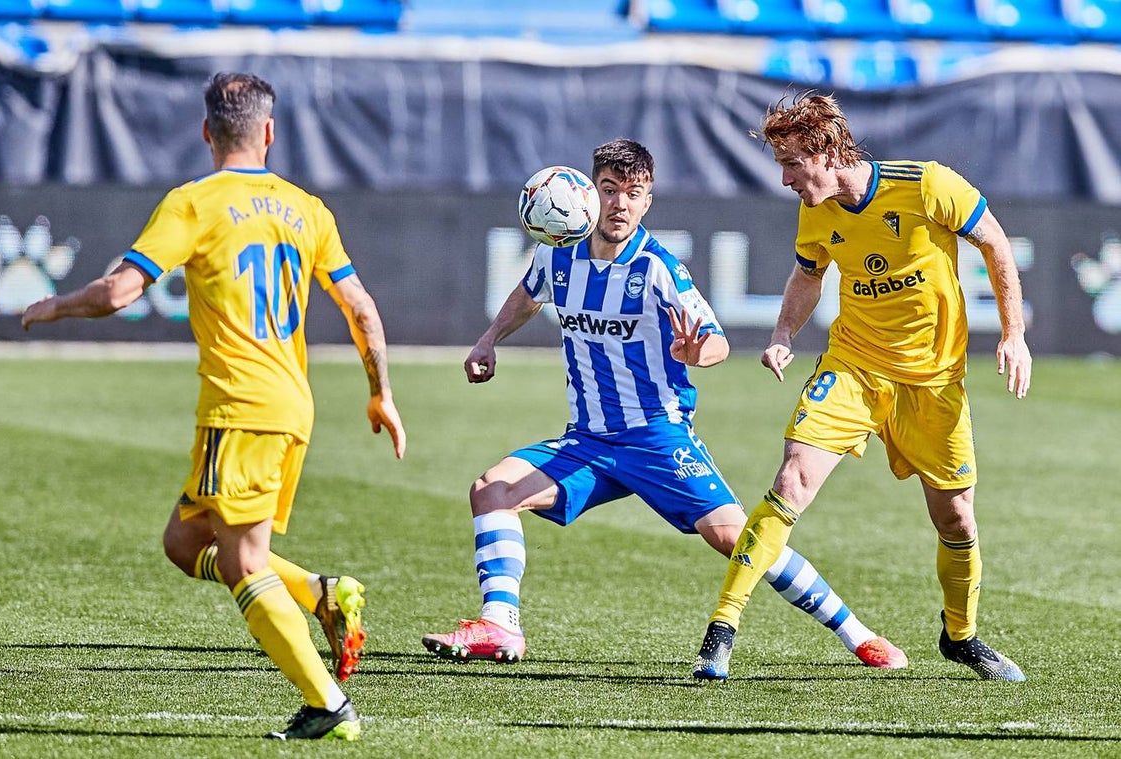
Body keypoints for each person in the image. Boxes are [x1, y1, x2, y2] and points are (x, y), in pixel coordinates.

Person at [421, 138, 906, 670]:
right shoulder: (557, 252)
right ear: (590, 193)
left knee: (737, 539)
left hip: (657, 438)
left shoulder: (657, 267)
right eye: (610, 189)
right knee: (491, 490)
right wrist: (489, 339)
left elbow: (716, 340)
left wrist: (699, 352)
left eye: (634, 193)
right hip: (588, 440)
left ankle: (858, 634)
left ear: (647, 201)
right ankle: (500, 624)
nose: (620, 204)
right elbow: (529, 293)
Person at [21, 72, 407, 739]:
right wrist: (381, 393)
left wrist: (54, 305)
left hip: (242, 407)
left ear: (206, 131)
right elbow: (362, 308)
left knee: (243, 563)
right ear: (269, 131)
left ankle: (327, 703)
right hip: (289, 404)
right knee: (184, 542)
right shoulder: (307, 209)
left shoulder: (194, 203)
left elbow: (118, 292)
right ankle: (318, 591)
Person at [693, 93, 1031, 682]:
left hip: (933, 381)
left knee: (956, 520)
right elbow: (808, 274)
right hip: (853, 368)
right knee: (791, 480)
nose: (785, 179)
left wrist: (1014, 334)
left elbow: (995, 243)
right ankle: (721, 631)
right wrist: (782, 333)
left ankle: (961, 636)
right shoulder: (817, 210)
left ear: (827, 152)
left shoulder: (927, 185)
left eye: (792, 164)